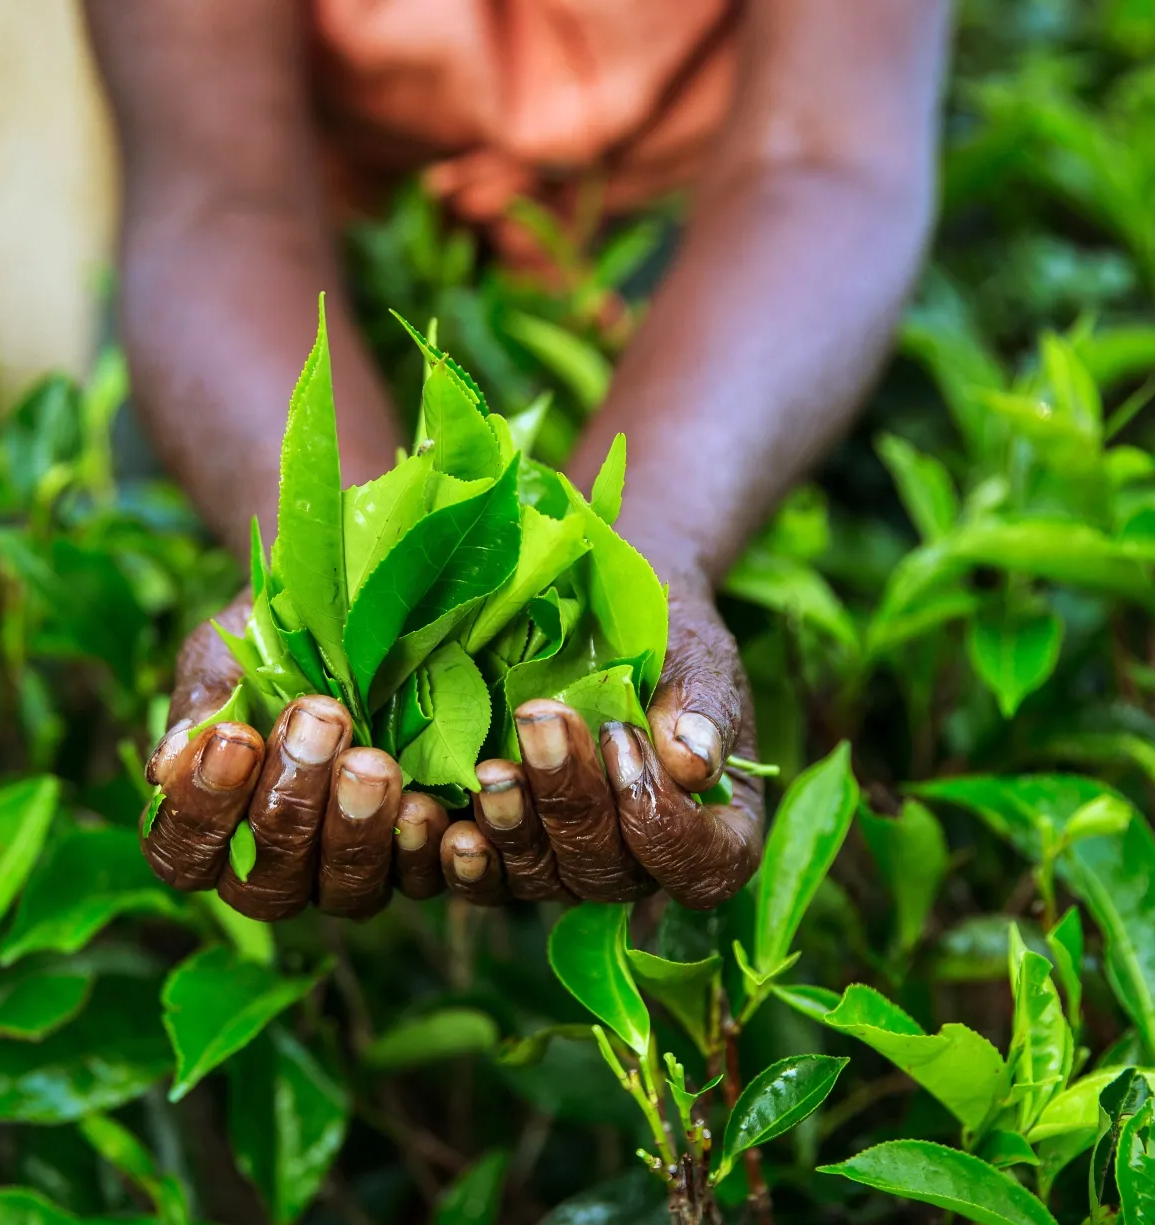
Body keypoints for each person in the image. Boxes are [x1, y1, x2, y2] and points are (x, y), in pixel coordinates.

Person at [86, 0, 951, 921]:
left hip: (712, 226)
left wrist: (644, 552)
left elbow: (824, 160)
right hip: (321, 229)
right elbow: (221, 194)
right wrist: (329, 560)